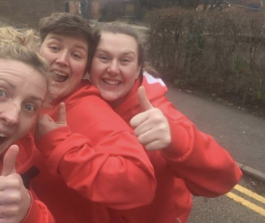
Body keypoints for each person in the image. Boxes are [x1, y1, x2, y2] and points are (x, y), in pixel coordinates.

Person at [89, 23, 242, 223]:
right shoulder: (76, 103)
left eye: (125, 60)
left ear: (138, 70)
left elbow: (225, 178)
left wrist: (176, 139)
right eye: (104, 57)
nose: (113, 69)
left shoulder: (158, 114)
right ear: (88, 64)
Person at [29, 13, 157, 223]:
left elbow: (140, 185)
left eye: (76, 55)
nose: (62, 60)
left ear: (85, 69)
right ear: (37, 50)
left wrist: (59, 146)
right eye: (54, 48)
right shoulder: (25, 95)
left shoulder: (88, 107)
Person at [0, 25, 54, 223]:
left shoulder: (8, 168)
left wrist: (28, 214)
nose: (13, 117)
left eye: (29, 106)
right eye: (0, 93)